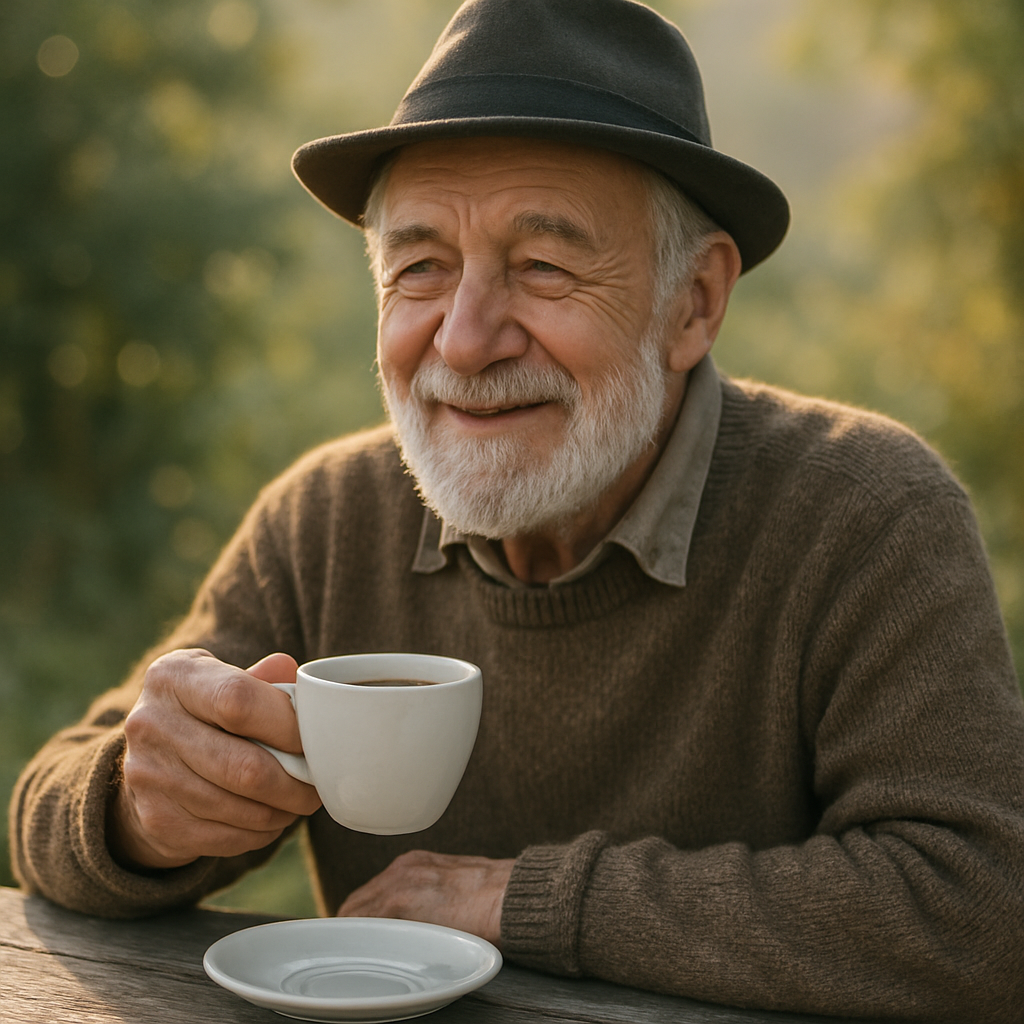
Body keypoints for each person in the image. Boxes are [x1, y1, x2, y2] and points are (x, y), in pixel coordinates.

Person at [10, 0, 1024, 1020]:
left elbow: (981, 909)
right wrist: (141, 808)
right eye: (419, 268)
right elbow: (47, 812)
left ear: (694, 303)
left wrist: (523, 901)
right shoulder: (324, 519)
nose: (462, 340)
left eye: (542, 265)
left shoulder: (864, 513)